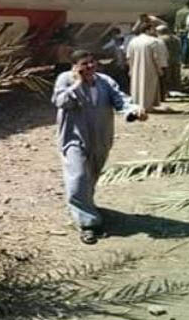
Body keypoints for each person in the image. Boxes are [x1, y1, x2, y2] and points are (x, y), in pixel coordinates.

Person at [52, 49, 147, 245]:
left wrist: (133, 111)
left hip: (101, 137)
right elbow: (61, 101)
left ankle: (84, 205)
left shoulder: (104, 81)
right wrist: (78, 83)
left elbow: (120, 100)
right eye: (84, 64)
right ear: (74, 66)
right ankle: (88, 224)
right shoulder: (65, 79)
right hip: (74, 137)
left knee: (91, 175)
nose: (90, 67)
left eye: (92, 62)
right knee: (78, 177)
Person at [126, 23, 166, 112]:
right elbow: (155, 57)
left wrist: (131, 69)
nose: (154, 31)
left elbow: (129, 57)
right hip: (150, 68)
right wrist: (159, 69)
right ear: (147, 30)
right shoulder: (153, 41)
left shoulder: (133, 41)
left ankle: (137, 105)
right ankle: (148, 106)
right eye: (153, 29)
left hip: (136, 69)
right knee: (149, 87)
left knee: (137, 86)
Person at [156, 25, 181, 100]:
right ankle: (170, 91)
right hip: (176, 60)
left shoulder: (160, 39)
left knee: (165, 77)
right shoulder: (177, 38)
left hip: (165, 61)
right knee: (174, 76)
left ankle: (165, 92)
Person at [174, 0, 189, 65]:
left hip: (178, 31)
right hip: (186, 31)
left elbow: (176, 22)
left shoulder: (179, 11)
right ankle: (184, 61)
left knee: (179, 46)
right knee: (186, 47)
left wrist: (176, 30)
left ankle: (179, 60)